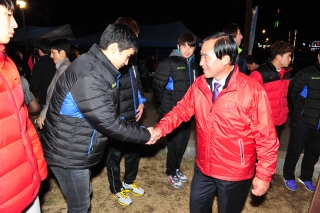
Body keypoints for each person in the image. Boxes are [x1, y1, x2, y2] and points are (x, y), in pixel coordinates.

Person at [148, 32, 279, 213]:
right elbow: (181, 110)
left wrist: (264, 175)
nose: (200, 62)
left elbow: (267, 138)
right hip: (204, 167)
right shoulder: (200, 84)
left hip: (234, 173)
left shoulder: (251, 91)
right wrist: (159, 129)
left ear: (225, 58)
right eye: (200, 56)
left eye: (205, 57)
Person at [41, 23, 154, 213]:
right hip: (67, 154)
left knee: (83, 195)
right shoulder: (90, 75)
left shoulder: (95, 66)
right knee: (80, 206)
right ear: (114, 48)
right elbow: (108, 121)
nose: (127, 63)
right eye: (127, 56)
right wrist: (146, 135)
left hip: (73, 147)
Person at [0, 0, 48, 212]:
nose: (16, 24)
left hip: (26, 183)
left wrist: (37, 167)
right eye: (8, 15)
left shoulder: (8, 65)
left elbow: (24, 126)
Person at [105, 17, 146, 206]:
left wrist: (142, 102)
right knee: (114, 155)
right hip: (117, 119)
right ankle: (116, 188)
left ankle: (128, 181)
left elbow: (137, 83)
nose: (135, 42)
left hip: (133, 115)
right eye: (134, 37)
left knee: (134, 151)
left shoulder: (132, 60)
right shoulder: (112, 62)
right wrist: (114, 118)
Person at [152, 32, 201, 189]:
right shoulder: (169, 62)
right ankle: (170, 171)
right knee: (174, 144)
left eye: (191, 46)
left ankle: (177, 168)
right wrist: (166, 102)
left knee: (183, 143)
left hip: (189, 112)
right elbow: (157, 85)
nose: (187, 50)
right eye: (184, 46)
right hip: (172, 111)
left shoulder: (194, 65)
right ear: (178, 46)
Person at [282, 49, 320, 192]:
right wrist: (299, 111)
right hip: (303, 120)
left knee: (314, 152)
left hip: (319, 124)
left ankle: (306, 177)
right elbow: (292, 93)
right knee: (295, 149)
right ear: (318, 56)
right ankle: (288, 175)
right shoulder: (306, 73)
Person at [249, 40, 294, 140]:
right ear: (278, 57)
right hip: (263, 123)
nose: (290, 59)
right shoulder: (259, 74)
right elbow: (248, 101)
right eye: (288, 56)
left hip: (280, 122)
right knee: (260, 153)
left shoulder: (286, 73)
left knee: (273, 150)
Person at [35, 38, 72, 129]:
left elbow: (57, 94)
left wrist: (43, 114)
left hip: (58, 112)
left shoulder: (64, 68)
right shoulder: (64, 66)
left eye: (53, 52)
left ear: (62, 53)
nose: (51, 56)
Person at [29, 38, 56, 110]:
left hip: (45, 97)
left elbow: (35, 85)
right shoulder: (55, 61)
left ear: (40, 51)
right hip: (57, 96)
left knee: (45, 118)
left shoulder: (39, 65)